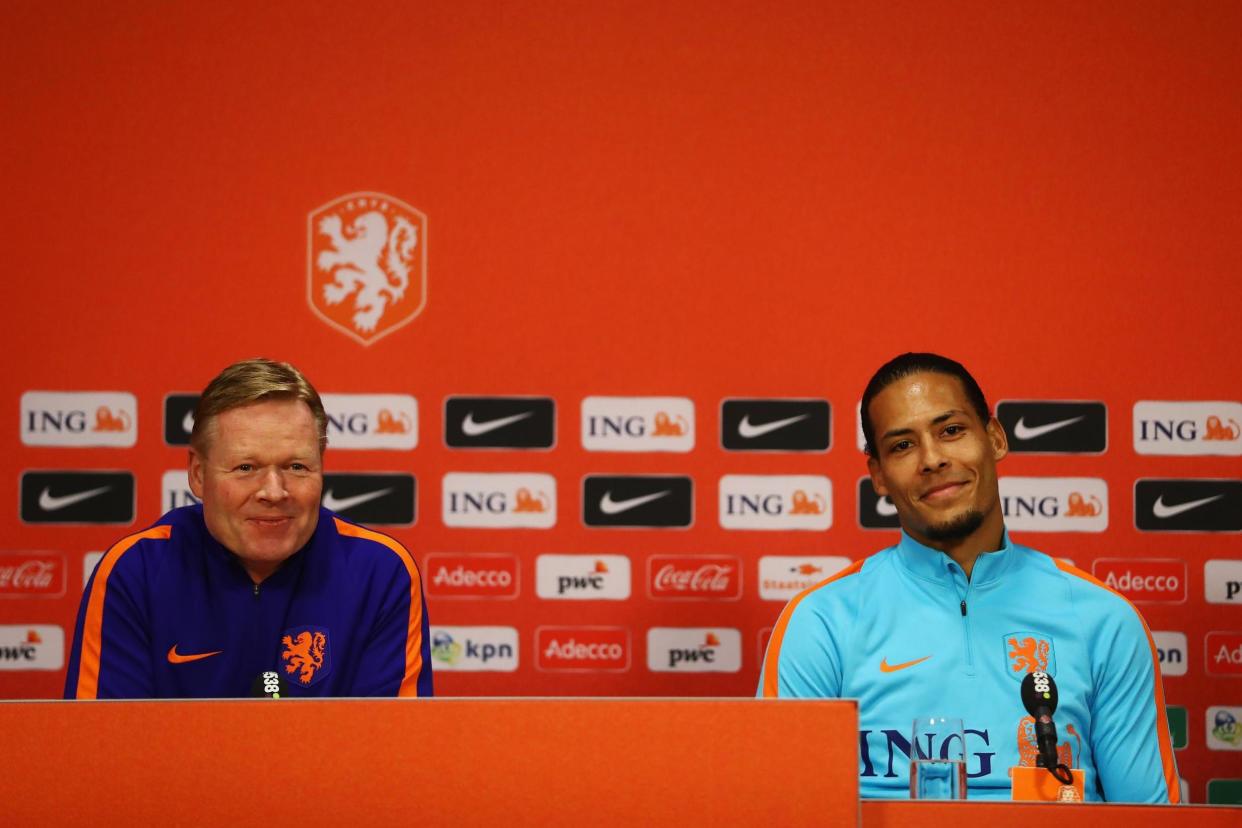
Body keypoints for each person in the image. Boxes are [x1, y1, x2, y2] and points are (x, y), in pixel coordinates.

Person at [758, 352, 1178, 802]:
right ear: (878, 476)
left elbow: (1149, 815)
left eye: (951, 431)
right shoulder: (822, 621)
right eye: (902, 445)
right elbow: (783, 808)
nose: (932, 459)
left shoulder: (1103, 619)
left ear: (994, 438)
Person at [65, 358, 432, 698]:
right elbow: (102, 751)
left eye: (297, 467)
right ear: (197, 474)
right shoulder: (136, 572)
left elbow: (389, 753)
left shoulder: (379, 572)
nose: (274, 491)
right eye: (246, 467)